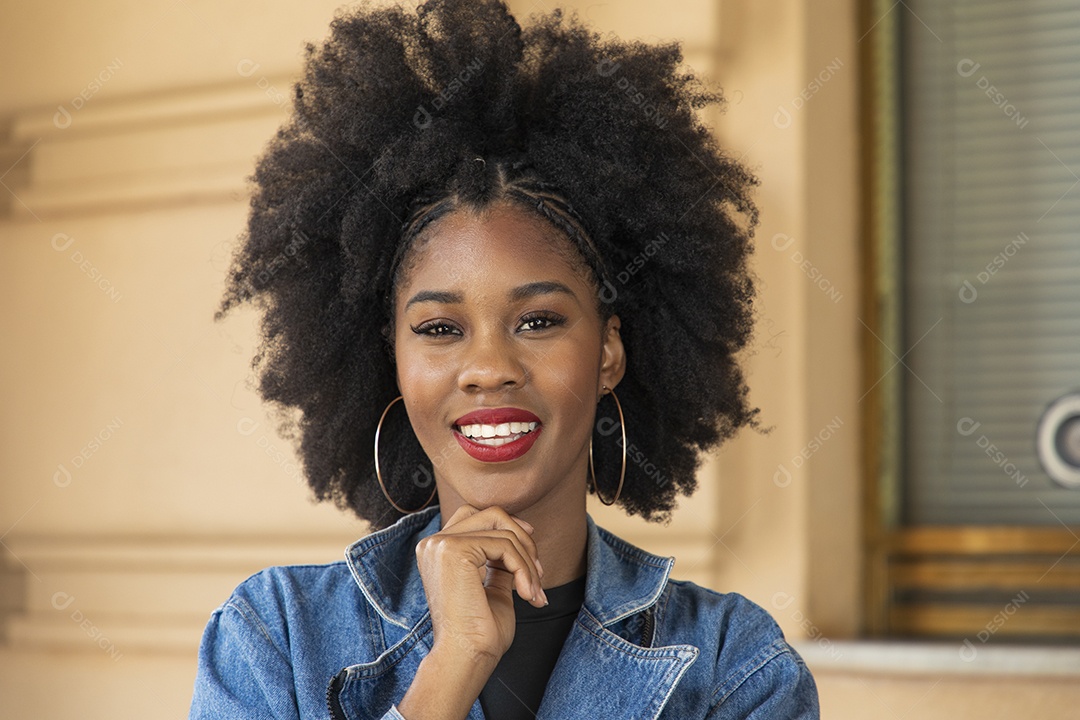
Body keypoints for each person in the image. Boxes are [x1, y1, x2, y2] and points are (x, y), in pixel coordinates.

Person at [190, 0, 820, 717]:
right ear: (389, 359)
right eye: (438, 329)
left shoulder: (735, 666)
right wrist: (452, 667)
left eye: (539, 320)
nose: (489, 367)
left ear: (609, 351)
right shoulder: (276, 636)